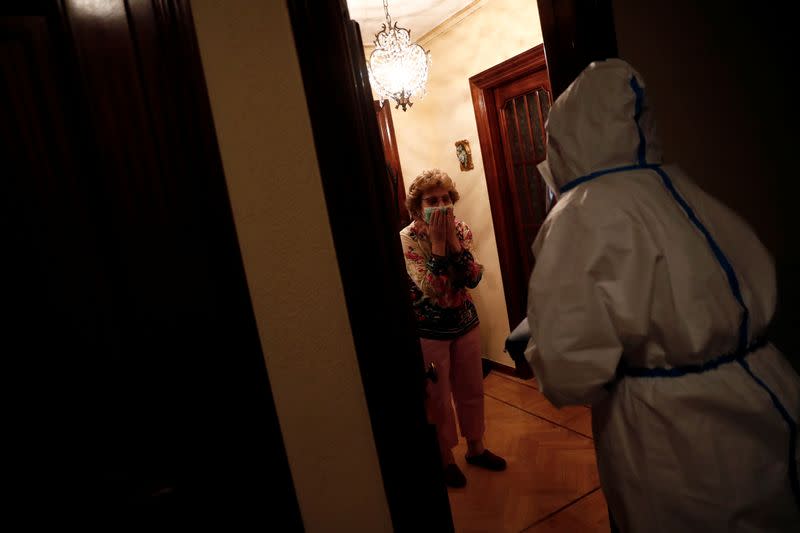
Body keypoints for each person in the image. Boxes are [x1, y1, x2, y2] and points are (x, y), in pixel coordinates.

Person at [524, 59, 800, 531]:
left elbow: (570, 370)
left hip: (675, 432)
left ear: (564, 137)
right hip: (773, 391)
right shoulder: (686, 189)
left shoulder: (582, 213)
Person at [400, 168, 506, 488]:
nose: (442, 204)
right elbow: (432, 288)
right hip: (429, 330)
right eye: (432, 200)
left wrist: (455, 246)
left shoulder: (461, 228)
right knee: (438, 397)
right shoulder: (407, 238)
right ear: (418, 208)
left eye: (446, 198)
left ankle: (477, 447)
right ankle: (445, 457)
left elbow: (472, 278)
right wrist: (437, 244)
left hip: (464, 321)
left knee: (471, 387)